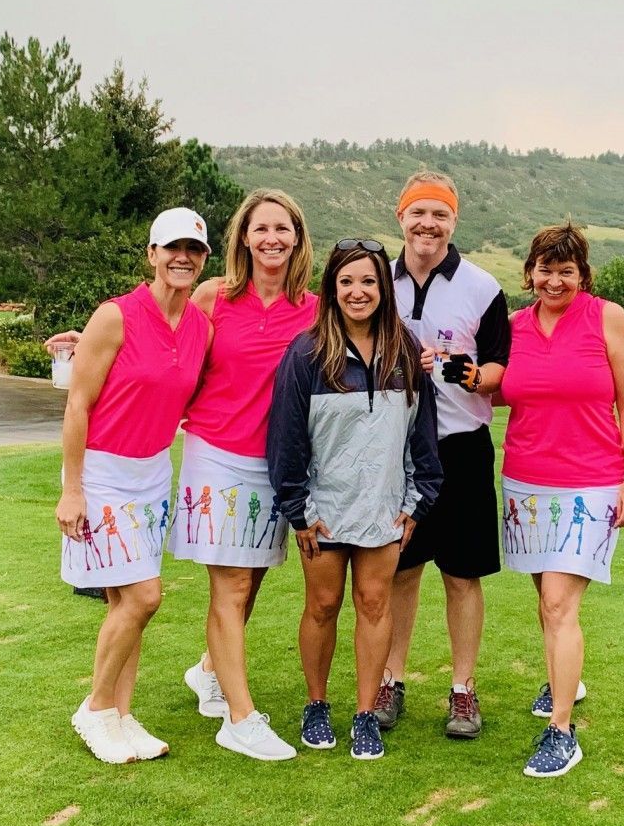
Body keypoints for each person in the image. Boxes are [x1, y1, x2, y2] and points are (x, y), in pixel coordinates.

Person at [267, 239, 441, 760]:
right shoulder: (305, 354)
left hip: (384, 509)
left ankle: (365, 714)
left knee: (374, 604)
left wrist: (417, 502)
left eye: (367, 281)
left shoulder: (406, 352)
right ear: (331, 289)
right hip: (322, 511)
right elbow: (286, 439)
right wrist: (298, 509)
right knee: (322, 605)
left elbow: (422, 436)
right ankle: (316, 704)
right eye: (346, 282)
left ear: (383, 289)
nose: (357, 292)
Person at [55, 208, 213, 765]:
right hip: (102, 473)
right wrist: (72, 489)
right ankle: (97, 708)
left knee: (129, 601)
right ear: (151, 254)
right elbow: (78, 403)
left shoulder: (200, 326)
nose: (182, 258)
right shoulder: (115, 316)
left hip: (152, 473)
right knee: (145, 597)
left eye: (194, 251)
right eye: (172, 248)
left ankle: (122, 715)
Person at [168, 189, 318, 761]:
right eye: (262, 228)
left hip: (276, 463)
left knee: (251, 579)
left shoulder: (314, 307)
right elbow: (163, 343)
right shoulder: (212, 297)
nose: (272, 238)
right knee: (229, 585)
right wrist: (94, 349)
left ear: (298, 238)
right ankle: (240, 717)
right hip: (217, 453)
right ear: (244, 238)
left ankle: (208, 670)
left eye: (284, 228)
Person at [498, 221, 624, 777]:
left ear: (582, 273)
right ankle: (567, 679)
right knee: (546, 601)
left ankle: (561, 729)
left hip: (591, 481)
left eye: (566, 270)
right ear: (529, 272)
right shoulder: (513, 327)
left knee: (560, 603)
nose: (554, 280)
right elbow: (494, 383)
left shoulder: (607, 317)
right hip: (526, 481)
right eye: (544, 269)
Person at [375, 171, 510, 740]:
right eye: (418, 213)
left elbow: (499, 373)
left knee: (461, 575)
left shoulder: (483, 287)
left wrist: (455, 367)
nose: (428, 224)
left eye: (440, 215)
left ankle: (462, 691)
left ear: (454, 222)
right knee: (399, 572)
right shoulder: (375, 280)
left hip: (461, 450)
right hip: (391, 448)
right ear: (401, 217)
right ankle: (391, 682)